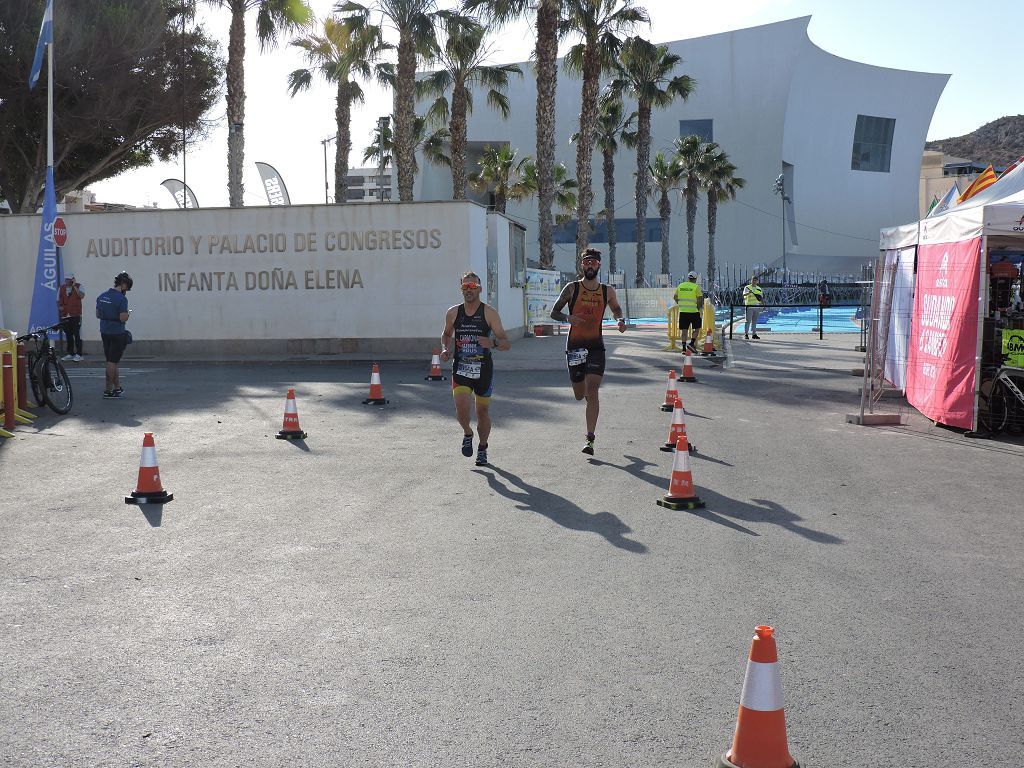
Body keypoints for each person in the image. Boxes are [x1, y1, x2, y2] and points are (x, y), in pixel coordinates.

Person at [549, 248, 626, 455]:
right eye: (586, 262)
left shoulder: (607, 291)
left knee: (593, 391)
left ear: (599, 265)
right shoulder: (572, 288)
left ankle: (590, 439)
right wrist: (568, 318)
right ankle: (585, 396)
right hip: (574, 345)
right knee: (579, 394)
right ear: (581, 266)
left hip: (595, 346)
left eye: (593, 262)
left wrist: (620, 320)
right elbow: (554, 312)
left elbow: (616, 308)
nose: (590, 265)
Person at [440, 272, 511, 467]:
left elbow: (506, 343)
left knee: (482, 412)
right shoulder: (453, 312)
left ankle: (483, 447)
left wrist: (492, 342)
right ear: (461, 289)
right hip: (461, 368)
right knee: (462, 410)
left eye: (472, 286)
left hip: (483, 370)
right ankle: (467, 433)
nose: (468, 290)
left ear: (479, 288)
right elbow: (446, 334)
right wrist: (446, 348)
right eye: (465, 286)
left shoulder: (489, 313)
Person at [95, 271, 132, 399]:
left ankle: (117, 388)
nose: (126, 290)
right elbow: (123, 318)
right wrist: (127, 315)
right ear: (123, 284)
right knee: (112, 362)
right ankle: (108, 390)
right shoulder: (122, 299)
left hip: (104, 332)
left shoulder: (102, 296)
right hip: (117, 332)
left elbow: (98, 314)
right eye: (127, 287)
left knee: (112, 361)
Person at [57, 272, 85, 361]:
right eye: (66, 279)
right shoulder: (61, 288)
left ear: (73, 280)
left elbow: (81, 296)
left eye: (69, 279)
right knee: (68, 335)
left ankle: (79, 354)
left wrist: (74, 287)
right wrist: (60, 307)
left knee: (77, 334)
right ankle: (70, 353)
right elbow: (58, 299)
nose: (67, 281)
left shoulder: (79, 286)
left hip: (76, 314)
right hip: (65, 315)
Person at [674, 270, 703, 352]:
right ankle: (692, 343)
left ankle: (683, 348)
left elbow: (675, 297)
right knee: (697, 328)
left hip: (683, 311)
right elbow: (700, 299)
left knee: (684, 330)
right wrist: (698, 308)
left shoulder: (680, 286)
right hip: (694, 311)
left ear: (688, 278)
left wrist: (680, 304)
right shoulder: (696, 287)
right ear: (695, 279)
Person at [743, 275, 763, 340]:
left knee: (754, 321)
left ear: (757, 281)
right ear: (751, 280)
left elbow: (761, 298)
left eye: (755, 280)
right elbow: (743, 295)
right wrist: (748, 293)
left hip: (757, 307)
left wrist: (763, 305)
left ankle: (754, 334)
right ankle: (746, 334)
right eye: (753, 280)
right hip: (749, 307)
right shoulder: (747, 287)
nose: (754, 281)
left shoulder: (759, 288)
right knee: (748, 321)